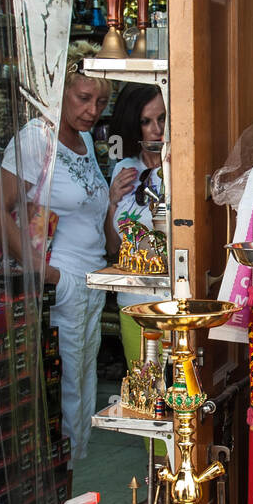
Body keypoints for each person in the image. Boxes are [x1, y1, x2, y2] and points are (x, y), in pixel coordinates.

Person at [0, 46, 132, 479]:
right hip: (61, 283)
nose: (92, 110)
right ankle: (54, 499)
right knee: (61, 392)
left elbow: (88, 208)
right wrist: (43, 271)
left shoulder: (85, 141)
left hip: (88, 283)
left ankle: (71, 497)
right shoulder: (37, 138)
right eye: (83, 98)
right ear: (60, 92)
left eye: (101, 102)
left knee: (82, 389)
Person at [106, 83, 167, 369]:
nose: (156, 129)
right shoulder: (124, 170)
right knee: (143, 388)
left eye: (162, 118)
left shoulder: (182, 166)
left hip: (173, 300)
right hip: (133, 300)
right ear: (134, 125)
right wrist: (112, 203)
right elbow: (113, 247)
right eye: (146, 121)